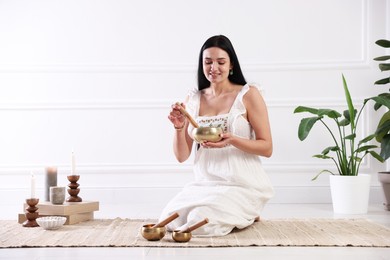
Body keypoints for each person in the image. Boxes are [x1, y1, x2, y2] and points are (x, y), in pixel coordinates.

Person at [159, 35, 274, 237]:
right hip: (205, 183)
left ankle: (248, 211)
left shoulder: (248, 94)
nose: (214, 67)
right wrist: (179, 128)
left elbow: (267, 148)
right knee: (170, 219)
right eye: (208, 61)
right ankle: (236, 214)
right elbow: (181, 156)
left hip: (242, 183)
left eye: (221, 62)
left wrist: (232, 140)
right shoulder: (194, 98)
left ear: (231, 65)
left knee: (201, 223)